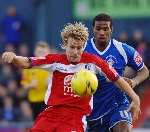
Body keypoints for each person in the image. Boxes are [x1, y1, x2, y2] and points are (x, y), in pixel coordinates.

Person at [2, 22, 140, 132]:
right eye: (72, 47)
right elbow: (28, 61)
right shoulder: (55, 60)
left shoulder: (94, 62)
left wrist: (135, 97)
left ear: (84, 46)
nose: (75, 52)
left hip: (76, 116)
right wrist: (14, 58)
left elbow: (117, 79)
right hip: (51, 113)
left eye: (79, 48)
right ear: (64, 45)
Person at [84, 13, 149, 132]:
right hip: (92, 111)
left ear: (111, 29)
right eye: (98, 29)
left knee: (123, 128)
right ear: (93, 29)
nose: (102, 32)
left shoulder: (123, 49)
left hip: (117, 105)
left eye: (105, 29)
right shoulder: (83, 49)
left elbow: (144, 71)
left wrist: (134, 81)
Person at [20, 41, 50, 119]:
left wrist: (51, 83)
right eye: (39, 52)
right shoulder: (28, 68)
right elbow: (23, 86)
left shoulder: (52, 67)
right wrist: (30, 85)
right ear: (35, 52)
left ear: (48, 53)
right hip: (34, 101)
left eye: (43, 52)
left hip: (48, 101)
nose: (41, 54)